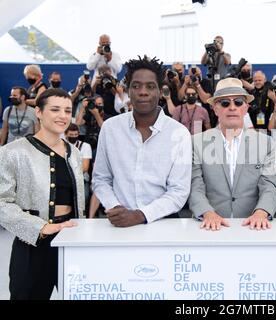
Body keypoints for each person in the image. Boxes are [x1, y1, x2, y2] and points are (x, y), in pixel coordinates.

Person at [0, 88, 84, 300]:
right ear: (38, 112)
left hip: (70, 240)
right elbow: (2, 202)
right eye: (55, 109)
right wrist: (41, 227)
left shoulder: (74, 152)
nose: (63, 116)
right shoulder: (13, 152)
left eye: (67, 110)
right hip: (32, 244)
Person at [92, 55, 192, 227]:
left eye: (150, 86)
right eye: (136, 86)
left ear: (161, 91)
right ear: (128, 90)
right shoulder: (110, 128)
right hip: (119, 224)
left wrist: (140, 215)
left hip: (164, 225)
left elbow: (179, 191)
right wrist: (116, 209)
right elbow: (101, 179)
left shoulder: (179, 133)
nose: (143, 91)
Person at [189, 78, 276, 231]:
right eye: (225, 103)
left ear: (246, 108)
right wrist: (207, 213)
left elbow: (269, 185)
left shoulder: (266, 143)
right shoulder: (196, 142)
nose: (232, 107)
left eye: (238, 102)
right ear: (215, 109)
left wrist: (261, 212)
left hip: (252, 227)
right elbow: (195, 185)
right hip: (208, 228)